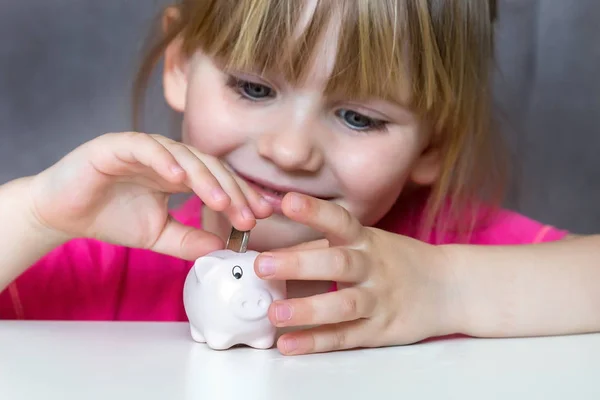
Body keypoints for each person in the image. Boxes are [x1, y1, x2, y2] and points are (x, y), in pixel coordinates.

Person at [1, 0, 599, 356]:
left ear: (432, 144)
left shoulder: (445, 255)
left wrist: (447, 290)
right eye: (254, 88)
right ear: (181, 65)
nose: (289, 151)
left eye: (359, 117)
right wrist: (33, 215)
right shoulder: (107, 259)